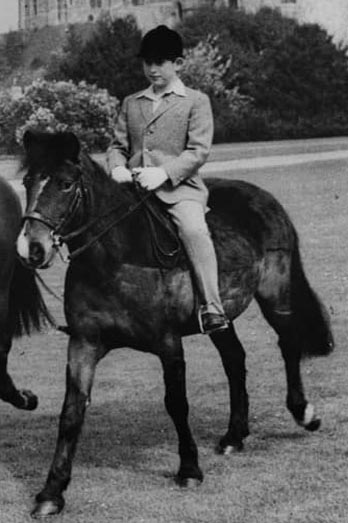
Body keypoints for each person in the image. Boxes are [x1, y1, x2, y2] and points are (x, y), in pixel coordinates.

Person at [106, 25, 228, 333]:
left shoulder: (195, 101)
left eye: (160, 62)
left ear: (178, 64)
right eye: (147, 62)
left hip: (179, 189)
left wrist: (164, 172)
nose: (152, 69)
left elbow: (198, 151)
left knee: (194, 229)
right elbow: (117, 146)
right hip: (132, 189)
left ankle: (211, 307)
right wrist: (117, 167)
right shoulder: (132, 102)